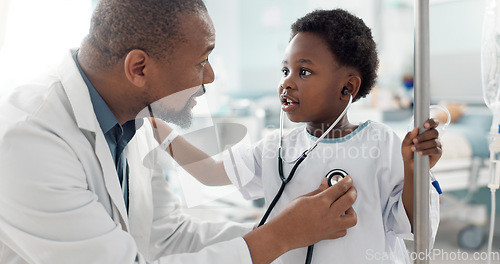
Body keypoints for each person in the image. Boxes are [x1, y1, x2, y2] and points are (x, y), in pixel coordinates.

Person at [0, 1, 358, 264]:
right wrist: (278, 237)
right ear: (139, 68)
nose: (210, 78)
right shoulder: (29, 140)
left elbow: (166, 236)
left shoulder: (136, 118)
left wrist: (290, 232)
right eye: (201, 62)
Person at [150, 9, 442, 263]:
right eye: (285, 70)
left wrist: (414, 171)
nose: (286, 82)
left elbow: (416, 229)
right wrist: (158, 129)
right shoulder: (276, 148)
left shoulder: (382, 144)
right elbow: (210, 172)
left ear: (347, 88)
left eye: (303, 71)